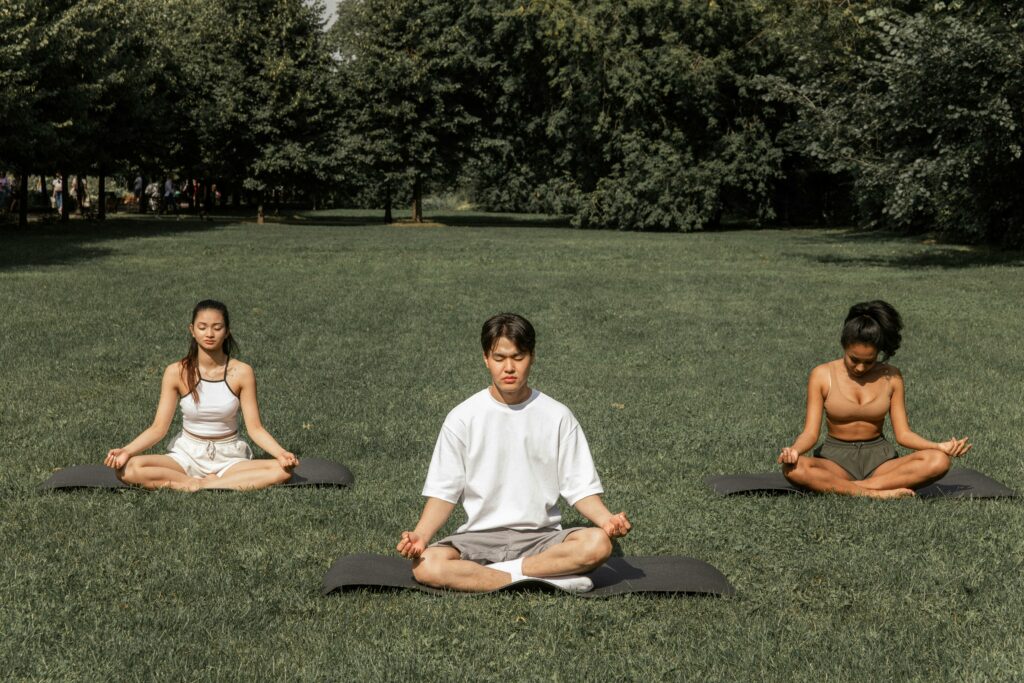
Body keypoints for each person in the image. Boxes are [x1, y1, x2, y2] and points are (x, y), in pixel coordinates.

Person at [397, 313, 632, 593]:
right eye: (499, 358)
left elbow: (579, 487)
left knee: (599, 544)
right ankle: (546, 578)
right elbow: (444, 492)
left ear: (532, 357)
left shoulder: (557, 416)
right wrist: (421, 537)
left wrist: (607, 520)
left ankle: (494, 576)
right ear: (486, 358)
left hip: (541, 540)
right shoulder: (462, 418)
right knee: (427, 565)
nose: (509, 367)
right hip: (479, 538)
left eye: (518, 357)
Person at [778, 300, 971, 498]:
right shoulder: (822, 375)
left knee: (939, 461)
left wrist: (938, 446)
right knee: (793, 468)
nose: (860, 367)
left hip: (880, 461)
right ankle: (875, 493)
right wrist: (794, 450)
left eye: (869, 361)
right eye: (854, 359)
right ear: (844, 346)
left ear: (878, 353)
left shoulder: (892, 377)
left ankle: (853, 488)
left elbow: (903, 435)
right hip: (834, 460)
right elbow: (810, 433)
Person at [103, 300, 298, 491]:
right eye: (202, 327)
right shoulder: (176, 371)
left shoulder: (242, 372)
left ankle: (207, 484)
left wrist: (281, 453)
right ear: (192, 330)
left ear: (227, 331)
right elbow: (158, 428)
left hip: (229, 457)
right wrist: (126, 451)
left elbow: (255, 428)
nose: (210, 334)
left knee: (283, 472)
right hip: (186, 455)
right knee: (127, 469)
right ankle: (191, 483)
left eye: (217, 327)